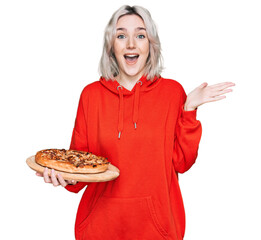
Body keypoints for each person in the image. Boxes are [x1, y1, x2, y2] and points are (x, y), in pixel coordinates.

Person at [36, 5, 235, 240]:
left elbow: (182, 163)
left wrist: (189, 109)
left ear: (151, 44)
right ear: (112, 46)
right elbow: (81, 166)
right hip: (99, 229)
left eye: (140, 35)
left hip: (158, 229)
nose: (131, 44)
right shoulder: (90, 95)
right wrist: (65, 177)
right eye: (121, 36)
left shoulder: (172, 92)